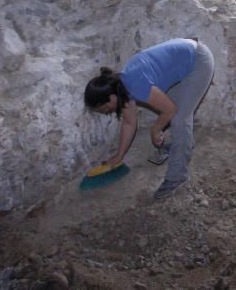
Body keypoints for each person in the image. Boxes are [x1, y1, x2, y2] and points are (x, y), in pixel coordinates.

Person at [84, 38, 215, 200]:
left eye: (103, 108)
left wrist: (155, 129)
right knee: (175, 110)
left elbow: (170, 110)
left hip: (198, 60)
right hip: (185, 57)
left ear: (111, 98)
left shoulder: (135, 84)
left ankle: (177, 176)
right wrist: (119, 156)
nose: (105, 112)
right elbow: (129, 122)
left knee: (180, 118)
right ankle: (180, 146)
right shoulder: (120, 86)